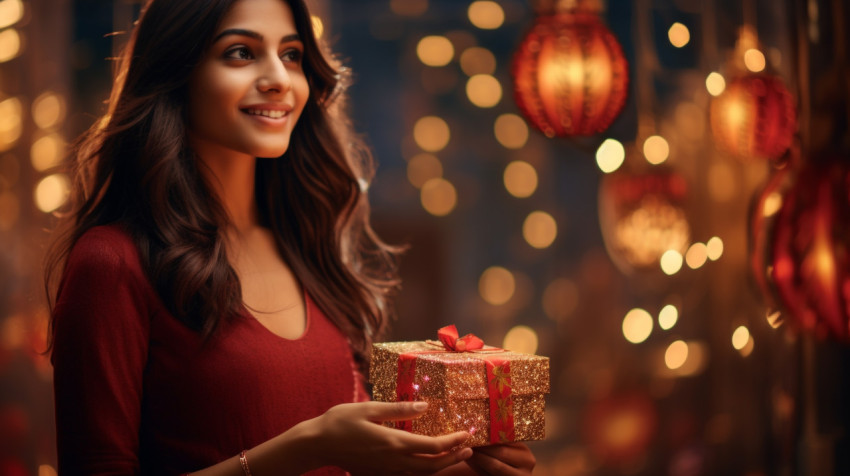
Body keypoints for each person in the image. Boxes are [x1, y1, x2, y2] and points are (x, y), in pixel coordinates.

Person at [45, 0, 536, 475]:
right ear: (177, 70)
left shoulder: (309, 248)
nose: (279, 79)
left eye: (292, 55)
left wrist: (462, 469)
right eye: (240, 52)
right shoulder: (112, 263)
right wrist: (307, 445)